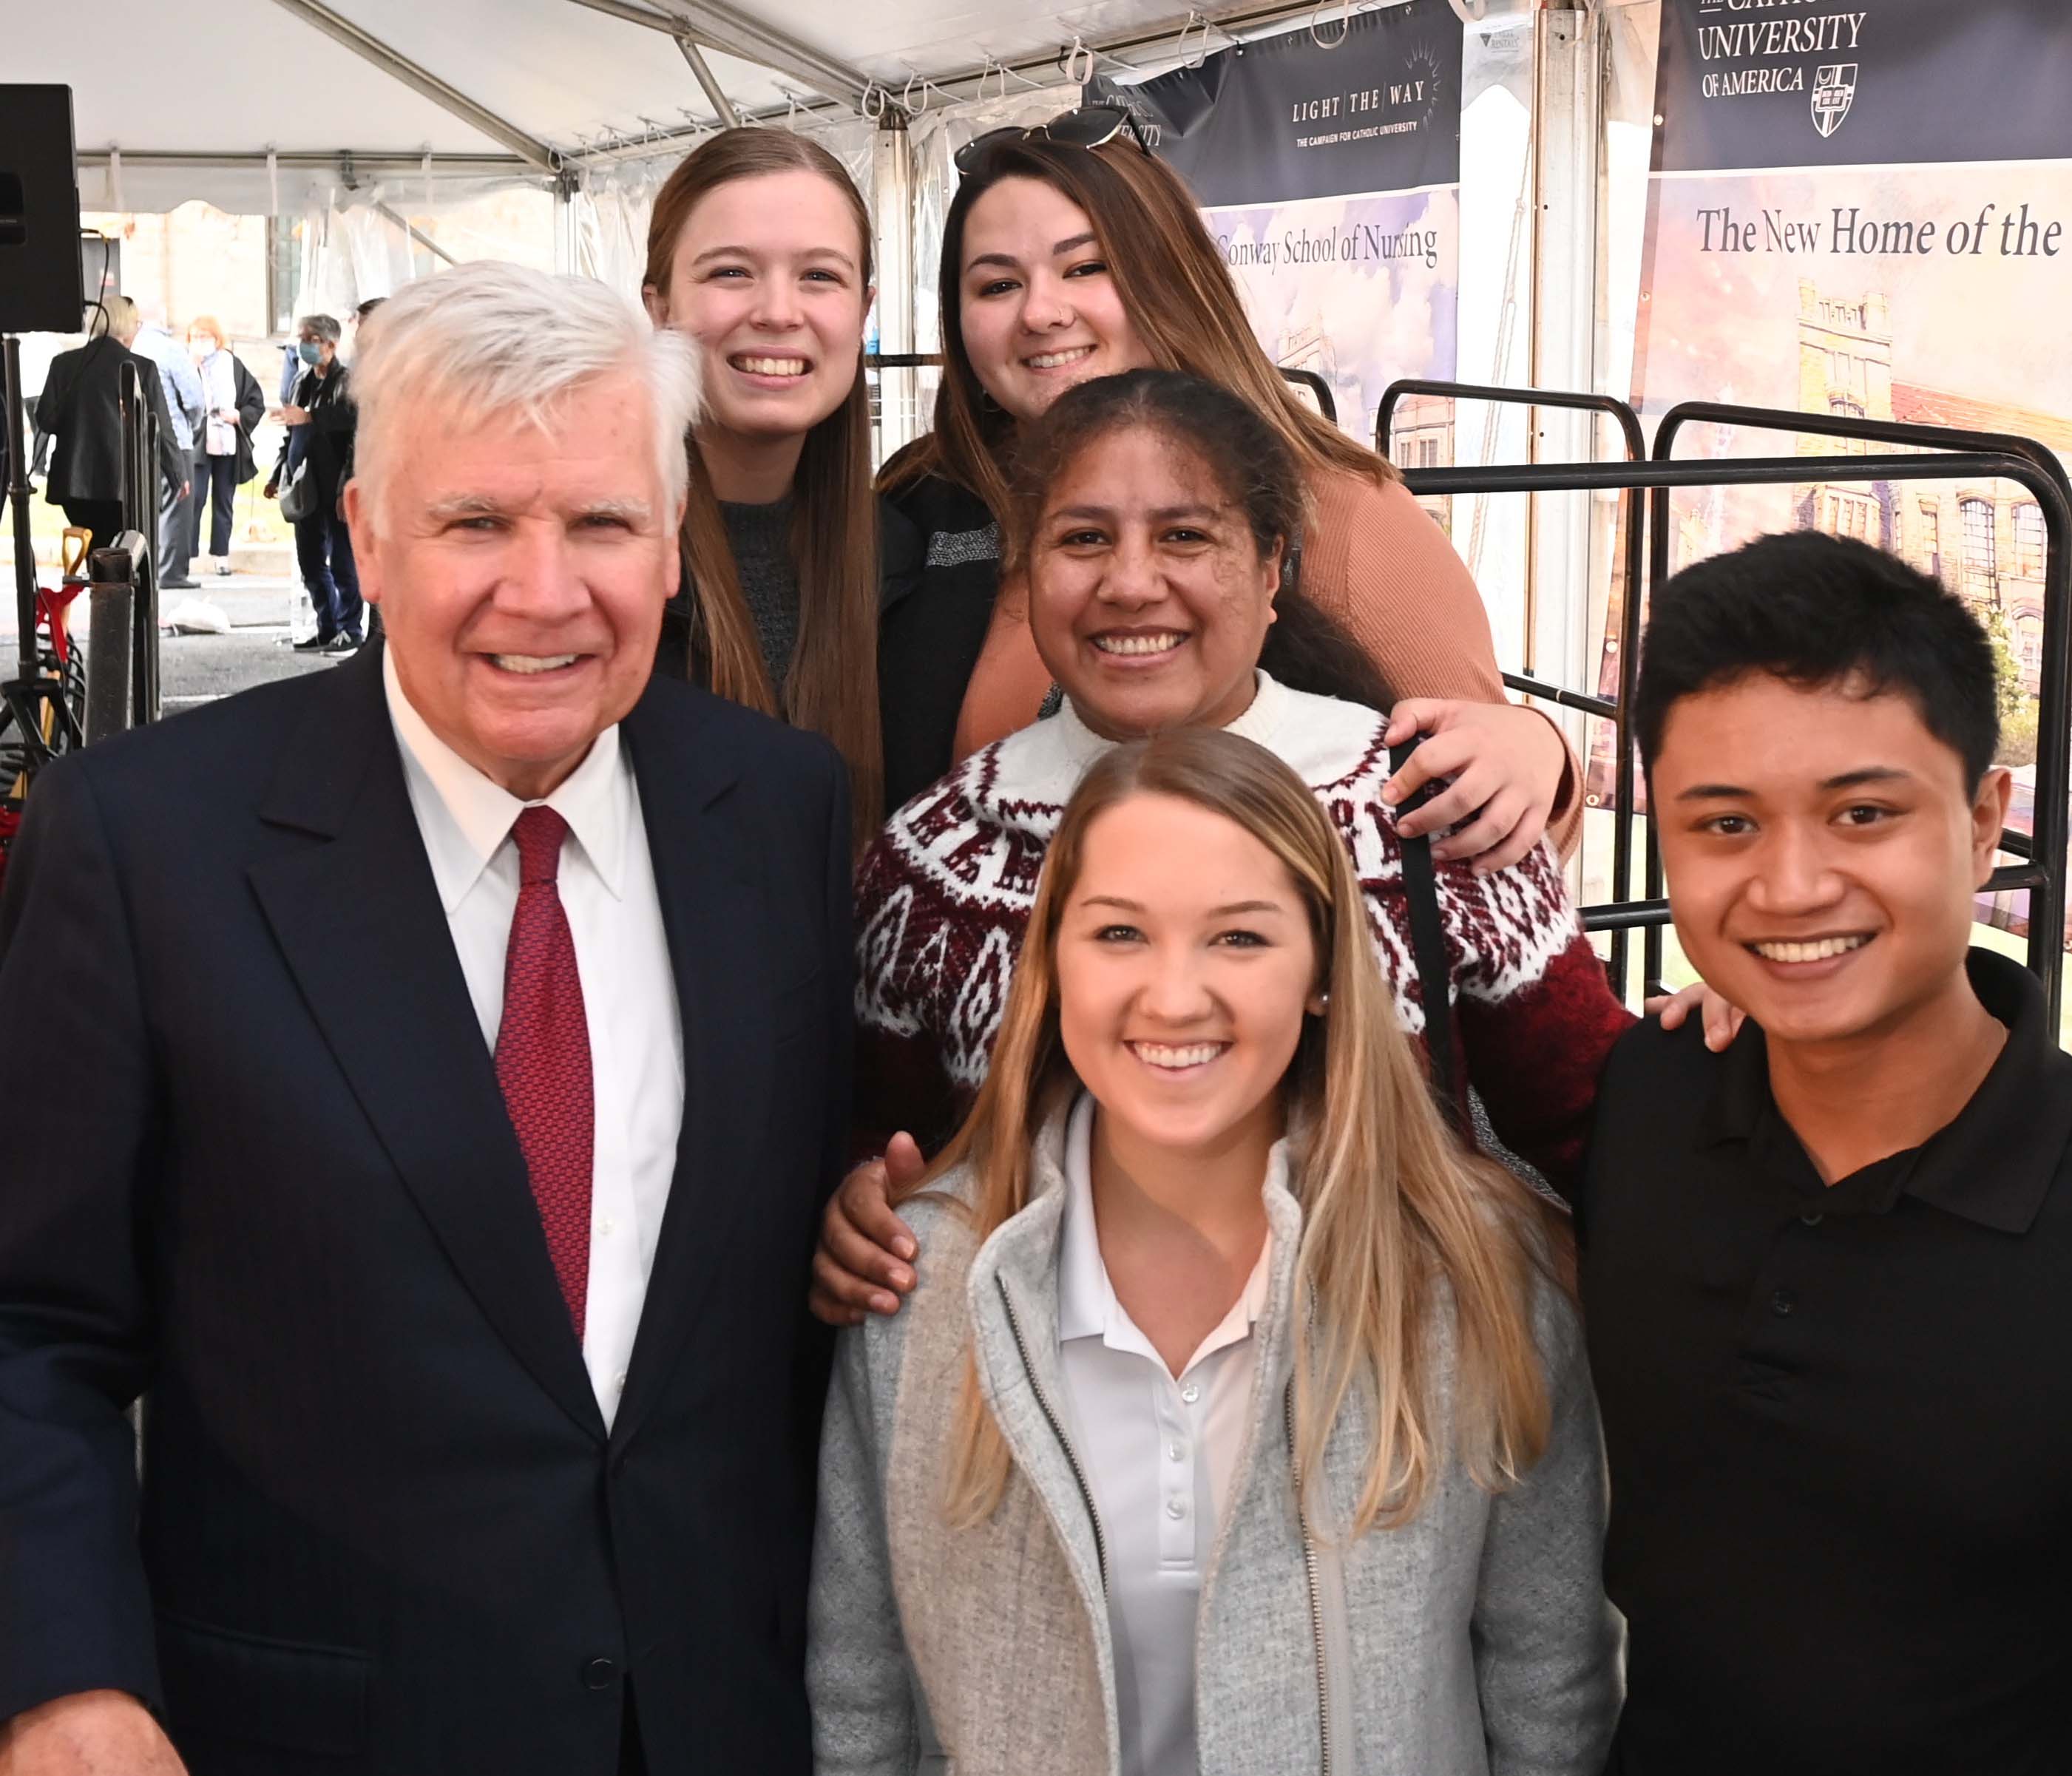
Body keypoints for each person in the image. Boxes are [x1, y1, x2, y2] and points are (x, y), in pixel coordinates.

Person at [0, 262, 848, 1776]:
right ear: (366, 536)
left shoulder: (774, 815)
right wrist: (63, 1698)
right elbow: (28, 1330)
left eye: (601, 522)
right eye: (476, 519)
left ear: (676, 540)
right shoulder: (150, 843)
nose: (543, 592)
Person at [810, 725, 1617, 1776]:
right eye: (1118, 934)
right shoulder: (927, 1275)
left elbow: (1546, 1678)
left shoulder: (1474, 1274)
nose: (1172, 995)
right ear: (1049, 962)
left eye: (1239, 938)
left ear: (1318, 973)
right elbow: (859, 1694)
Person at [1548, 530, 2072, 1776]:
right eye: (1725, 823)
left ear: (1986, 819)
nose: (1789, 886)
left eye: (1862, 814)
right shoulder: (1649, 1103)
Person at [819, 369, 1631, 1323]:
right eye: (1082, 539)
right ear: (1027, 571)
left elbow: (1599, 1132)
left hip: (1387, 1419)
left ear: (1269, 566)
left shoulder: (1422, 810)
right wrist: (856, 1203)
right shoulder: (933, 859)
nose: (1129, 583)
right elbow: (881, 1139)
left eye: (1184, 536)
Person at [874, 111, 1580, 868]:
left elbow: (1504, 813)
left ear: (1170, 278)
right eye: (997, 284)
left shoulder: (1335, 512)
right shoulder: (922, 502)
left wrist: (1544, 753)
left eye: (1086, 268)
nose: (1041, 312)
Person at [641, 129, 882, 844]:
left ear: (863, 310)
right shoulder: (589, 572)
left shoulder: (915, 567)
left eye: (819, 277)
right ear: (659, 308)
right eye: (731, 273)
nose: (780, 311)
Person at [32, 294, 186, 552]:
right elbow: (160, 427)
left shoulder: (63, 365)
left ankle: (99, 588)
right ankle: (115, 591)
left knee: (97, 553)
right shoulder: (142, 367)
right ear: (126, 325)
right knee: (124, 558)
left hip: (75, 484)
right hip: (127, 484)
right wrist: (177, 475)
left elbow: (46, 420)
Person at [265, 313, 362, 653]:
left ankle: (351, 629)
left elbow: (352, 424)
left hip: (333, 483)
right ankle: (327, 626)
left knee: (342, 561)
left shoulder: (346, 381)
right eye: (301, 338)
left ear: (331, 345)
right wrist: (278, 473)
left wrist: (345, 487)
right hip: (303, 484)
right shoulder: (302, 380)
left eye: (310, 339)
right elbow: (291, 433)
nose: (303, 345)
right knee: (310, 561)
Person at [132, 308, 207, 589]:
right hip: (175, 438)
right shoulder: (170, 350)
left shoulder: (132, 347)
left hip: (138, 440)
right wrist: (193, 424)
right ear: (163, 323)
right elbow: (194, 397)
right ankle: (172, 572)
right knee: (178, 506)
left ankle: (149, 568)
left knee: (148, 504)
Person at [185, 316, 256, 575]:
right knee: (196, 498)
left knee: (224, 500)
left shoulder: (231, 363)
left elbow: (254, 400)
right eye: (195, 337)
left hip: (227, 440)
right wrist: (192, 367)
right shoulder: (186, 364)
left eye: (205, 337)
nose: (200, 342)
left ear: (217, 339)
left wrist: (239, 416)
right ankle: (188, 555)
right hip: (199, 441)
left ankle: (221, 556)